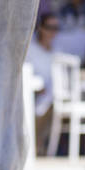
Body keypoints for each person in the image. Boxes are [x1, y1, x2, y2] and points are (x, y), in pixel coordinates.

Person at [24, 13, 61, 155]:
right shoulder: (30, 49)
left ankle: (39, 145)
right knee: (48, 101)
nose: (52, 32)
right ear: (41, 28)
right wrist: (38, 89)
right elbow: (24, 73)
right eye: (49, 27)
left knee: (54, 99)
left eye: (56, 28)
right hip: (32, 94)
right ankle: (35, 145)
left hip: (53, 96)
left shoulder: (58, 49)